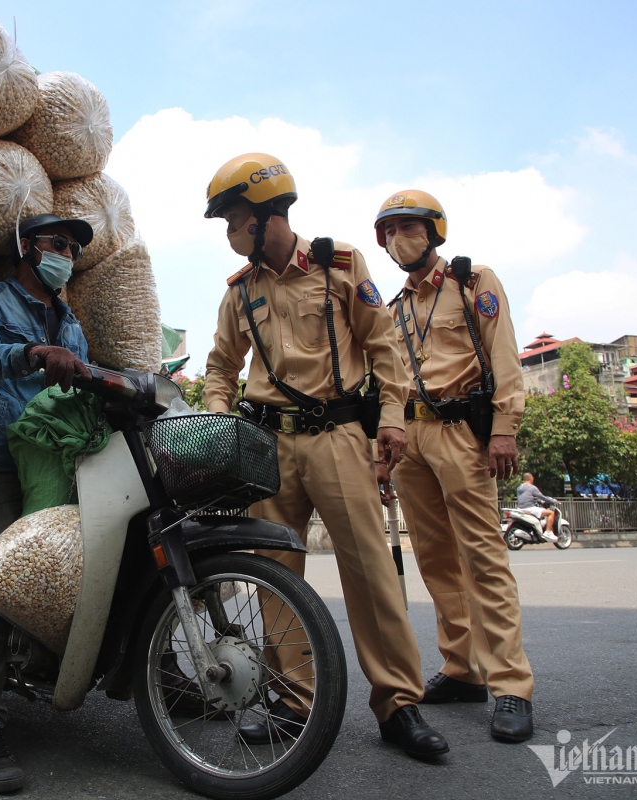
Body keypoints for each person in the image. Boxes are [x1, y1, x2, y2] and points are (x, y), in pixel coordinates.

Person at [203, 153, 449, 759]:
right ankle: (292, 699)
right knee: (274, 575)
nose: (229, 233)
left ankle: (398, 705)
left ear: (266, 215)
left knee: (369, 571)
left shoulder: (339, 265)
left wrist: (390, 419)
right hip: (267, 443)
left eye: (234, 218)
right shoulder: (239, 291)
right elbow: (220, 365)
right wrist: (217, 422)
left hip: (338, 437)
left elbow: (383, 345)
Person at [374, 189, 536, 743]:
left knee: (482, 555)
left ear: (433, 230)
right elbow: (388, 383)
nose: (399, 238)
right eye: (390, 230)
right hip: (411, 439)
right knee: (437, 560)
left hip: (461, 431)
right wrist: (384, 448)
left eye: (409, 226)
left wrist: (505, 428)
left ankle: (510, 683)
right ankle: (462, 667)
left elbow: (503, 356)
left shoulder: (473, 282)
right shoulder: (392, 309)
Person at [0, 213, 94, 793]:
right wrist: (30, 354)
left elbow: (82, 377)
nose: (67, 255)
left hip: (63, 461)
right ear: (26, 249)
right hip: (4, 458)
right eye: (58, 244)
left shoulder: (73, 322)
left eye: (74, 249)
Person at [518, 473, 559, 539]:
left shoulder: (519, 487)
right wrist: (553, 501)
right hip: (530, 508)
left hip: (520, 508)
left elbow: (526, 497)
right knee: (550, 513)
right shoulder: (532, 487)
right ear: (531, 478)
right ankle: (548, 532)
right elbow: (542, 497)